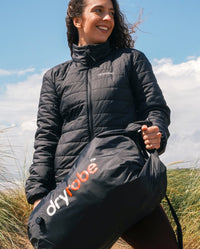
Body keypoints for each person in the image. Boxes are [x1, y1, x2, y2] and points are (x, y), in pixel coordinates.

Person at [25, 0, 179, 248]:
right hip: (74, 191)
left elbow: (155, 108)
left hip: (128, 182)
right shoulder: (55, 77)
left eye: (111, 13)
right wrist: (38, 197)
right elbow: (46, 138)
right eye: (98, 10)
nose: (107, 18)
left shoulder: (131, 61)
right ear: (78, 20)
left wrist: (156, 131)